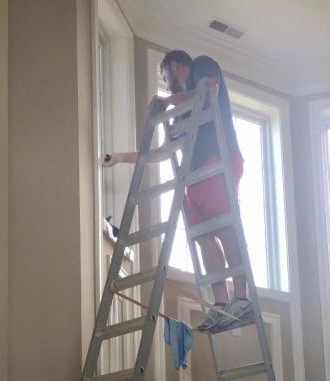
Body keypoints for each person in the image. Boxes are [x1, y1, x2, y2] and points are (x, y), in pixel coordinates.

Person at [103, 50, 253, 334]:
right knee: (201, 236)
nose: (166, 83)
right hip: (194, 176)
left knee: (224, 227)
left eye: (164, 76)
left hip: (217, 162)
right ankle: (222, 303)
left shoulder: (202, 65)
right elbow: (161, 153)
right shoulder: (181, 114)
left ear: (174, 65)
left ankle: (242, 300)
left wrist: (167, 101)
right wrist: (120, 157)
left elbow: (208, 92)